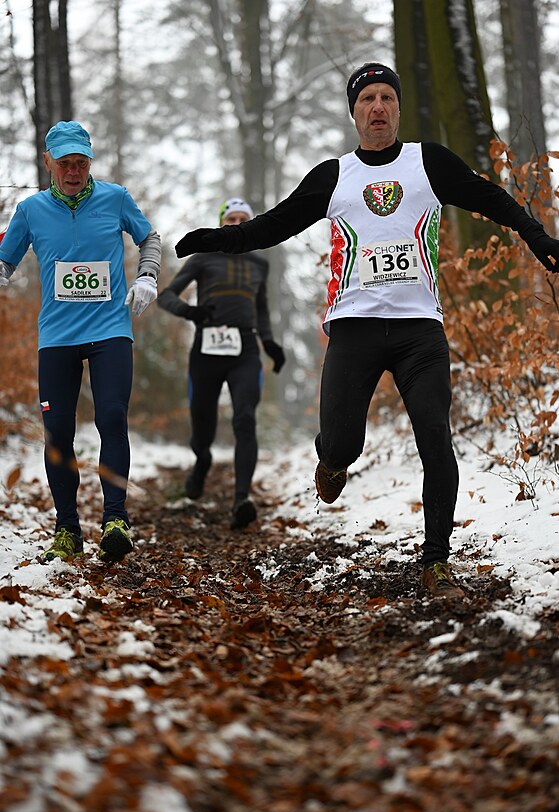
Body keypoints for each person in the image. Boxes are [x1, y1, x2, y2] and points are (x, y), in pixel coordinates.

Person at [173, 63, 559, 599]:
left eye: (387, 98)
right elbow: (273, 224)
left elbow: (492, 199)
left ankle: (437, 561)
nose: (378, 108)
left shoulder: (429, 164)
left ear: (398, 108)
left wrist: (538, 237)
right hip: (352, 331)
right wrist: (219, 240)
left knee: (436, 440)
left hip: (419, 330)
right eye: (367, 100)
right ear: (354, 112)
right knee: (341, 443)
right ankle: (330, 459)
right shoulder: (334, 176)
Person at [0, 120, 161, 562]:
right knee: (58, 433)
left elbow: (149, 236)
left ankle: (115, 518)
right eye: (66, 163)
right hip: (57, 336)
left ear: (91, 162)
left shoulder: (115, 197)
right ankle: (67, 527)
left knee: (111, 417)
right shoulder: (31, 210)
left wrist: (147, 276)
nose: (74, 171)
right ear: (48, 161)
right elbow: (4, 261)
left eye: (82, 162)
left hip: (110, 330)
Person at [158, 197, 285, 529]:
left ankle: (241, 498)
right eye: (231, 218)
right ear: (221, 223)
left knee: (245, 418)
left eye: (243, 219)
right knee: (203, 427)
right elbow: (167, 295)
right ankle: (202, 461)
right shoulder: (203, 257)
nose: (236, 223)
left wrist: (269, 342)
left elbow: (262, 309)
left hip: (245, 349)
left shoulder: (259, 263)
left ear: (249, 224)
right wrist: (191, 312)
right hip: (207, 349)